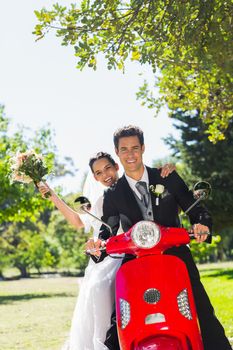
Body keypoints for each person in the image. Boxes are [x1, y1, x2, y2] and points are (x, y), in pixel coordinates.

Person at [89, 126, 232, 350]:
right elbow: (107, 230)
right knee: (117, 323)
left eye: (135, 148)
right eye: (124, 149)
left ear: (143, 148)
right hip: (135, 261)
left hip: (176, 256)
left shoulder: (167, 177)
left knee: (203, 312)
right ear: (117, 153)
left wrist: (202, 224)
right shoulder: (113, 193)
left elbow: (196, 210)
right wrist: (98, 244)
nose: (130, 154)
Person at [38, 151, 175, 350]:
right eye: (99, 172)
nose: (106, 175)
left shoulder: (135, 186)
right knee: (100, 287)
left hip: (139, 252)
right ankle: (108, 343)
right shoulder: (102, 199)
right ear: (94, 177)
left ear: (117, 166)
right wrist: (52, 195)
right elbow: (78, 222)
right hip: (111, 254)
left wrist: (167, 172)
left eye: (108, 168)